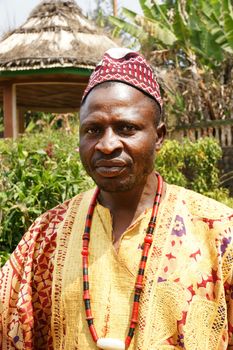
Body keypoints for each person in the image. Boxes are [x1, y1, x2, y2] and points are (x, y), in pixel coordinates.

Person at [0, 48, 233, 350]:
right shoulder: (45, 235)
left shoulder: (219, 233)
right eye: (93, 130)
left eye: (126, 128)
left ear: (159, 136)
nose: (107, 145)